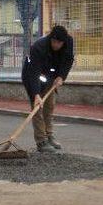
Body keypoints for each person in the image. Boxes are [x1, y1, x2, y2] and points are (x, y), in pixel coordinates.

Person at [21, 25, 74, 153]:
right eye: (54, 42)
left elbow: (68, 60)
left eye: (59, 43)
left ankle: (49, 135)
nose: (57, 45)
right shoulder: (38, 48)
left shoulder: (68, 42)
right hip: (32, 76)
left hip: (50, 76)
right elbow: (34, 73)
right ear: (51, 39)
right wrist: (36, 95)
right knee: (37, 108)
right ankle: (41, 141)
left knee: (49, 106)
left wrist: (61, 76)